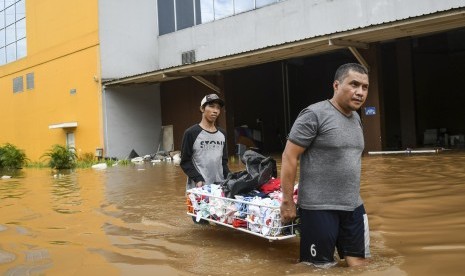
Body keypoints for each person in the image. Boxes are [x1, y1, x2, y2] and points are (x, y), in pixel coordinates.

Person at [280, 63, 371, 268]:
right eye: (354, 84)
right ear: (336, 85)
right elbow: (289, 157)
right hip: (319, 208)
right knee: (318, 268)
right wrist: (287, 201)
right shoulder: (313, 115)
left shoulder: (356, 118)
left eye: (365, 87)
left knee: (361, 265)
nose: (360, 92)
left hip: (353, 205)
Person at [180, 93, 230, 191]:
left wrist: (229, 178)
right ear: (202, 109)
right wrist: (197, 179)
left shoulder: (222, 134)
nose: (215, 111)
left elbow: (223, 161)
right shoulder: (191, 133)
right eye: (211, 107)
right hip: (199, 187)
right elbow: (185, 161)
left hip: (219, 187)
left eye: (218, 108)